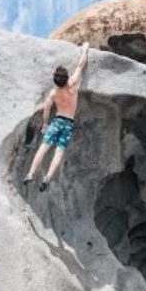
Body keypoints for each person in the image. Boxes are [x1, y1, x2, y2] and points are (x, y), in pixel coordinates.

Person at [23, 42, 90, 192]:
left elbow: (47, 109)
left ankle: (30, 174)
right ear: (66, 78)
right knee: (59, 152)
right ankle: (47, 178)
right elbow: (81, 65)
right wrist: (85, 48)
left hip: (57, 121)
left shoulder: (53, 93)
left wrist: (45, 124)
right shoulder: (73, 84)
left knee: (43, 148)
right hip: (68, 124)